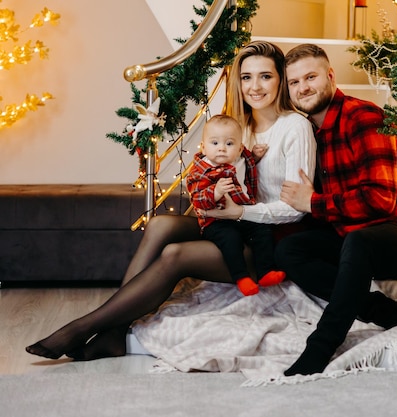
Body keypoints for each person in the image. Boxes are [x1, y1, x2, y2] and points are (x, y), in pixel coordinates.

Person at [25, 40, 316, 361]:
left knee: (176, 253)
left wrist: (240, 211)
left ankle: (81, 328)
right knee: (163, 224)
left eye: (266, 76)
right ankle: (114, 333)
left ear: (280, 80)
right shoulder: (237, 127)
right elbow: (212, 181)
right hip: (232, 222)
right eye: (246, 77)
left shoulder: (295, 127)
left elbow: (296, 210)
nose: (255, 86)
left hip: (268, 241)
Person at [277, 44, 397, 376]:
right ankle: (385, 312)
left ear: (330, 76)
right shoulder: (306, 128)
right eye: (294, 82)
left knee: (359, 241)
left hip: (393, 235)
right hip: (348, 232)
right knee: (289, 250)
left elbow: (380, 199)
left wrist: (312, 202)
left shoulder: (363, 118)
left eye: (311, 77)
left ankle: (320, 348)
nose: (303, 87)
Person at [186, 114, 285, 296]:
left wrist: (254, 156)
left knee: (262, 230)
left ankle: (265, 272)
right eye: (214, 143)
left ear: (240, 148)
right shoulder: (201, 170)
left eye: (229, 144)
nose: (222, 149)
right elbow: (197, 199)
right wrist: (215, 192)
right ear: (203, 146)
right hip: (216, 221)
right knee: (231, 239)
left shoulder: (242, 159)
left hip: (243, 214)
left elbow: (246, 168)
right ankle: (241, 277)